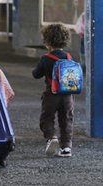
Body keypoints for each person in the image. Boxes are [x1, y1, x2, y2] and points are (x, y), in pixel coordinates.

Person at [32, 24, 74, 158]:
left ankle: (51, 138)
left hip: (52, 94)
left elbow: (36, 74)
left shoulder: (46, 58)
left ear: (47, 41)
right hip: (67, 95)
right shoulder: (68, 57)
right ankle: (66, 147)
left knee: (47, 118)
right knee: (66, 119)